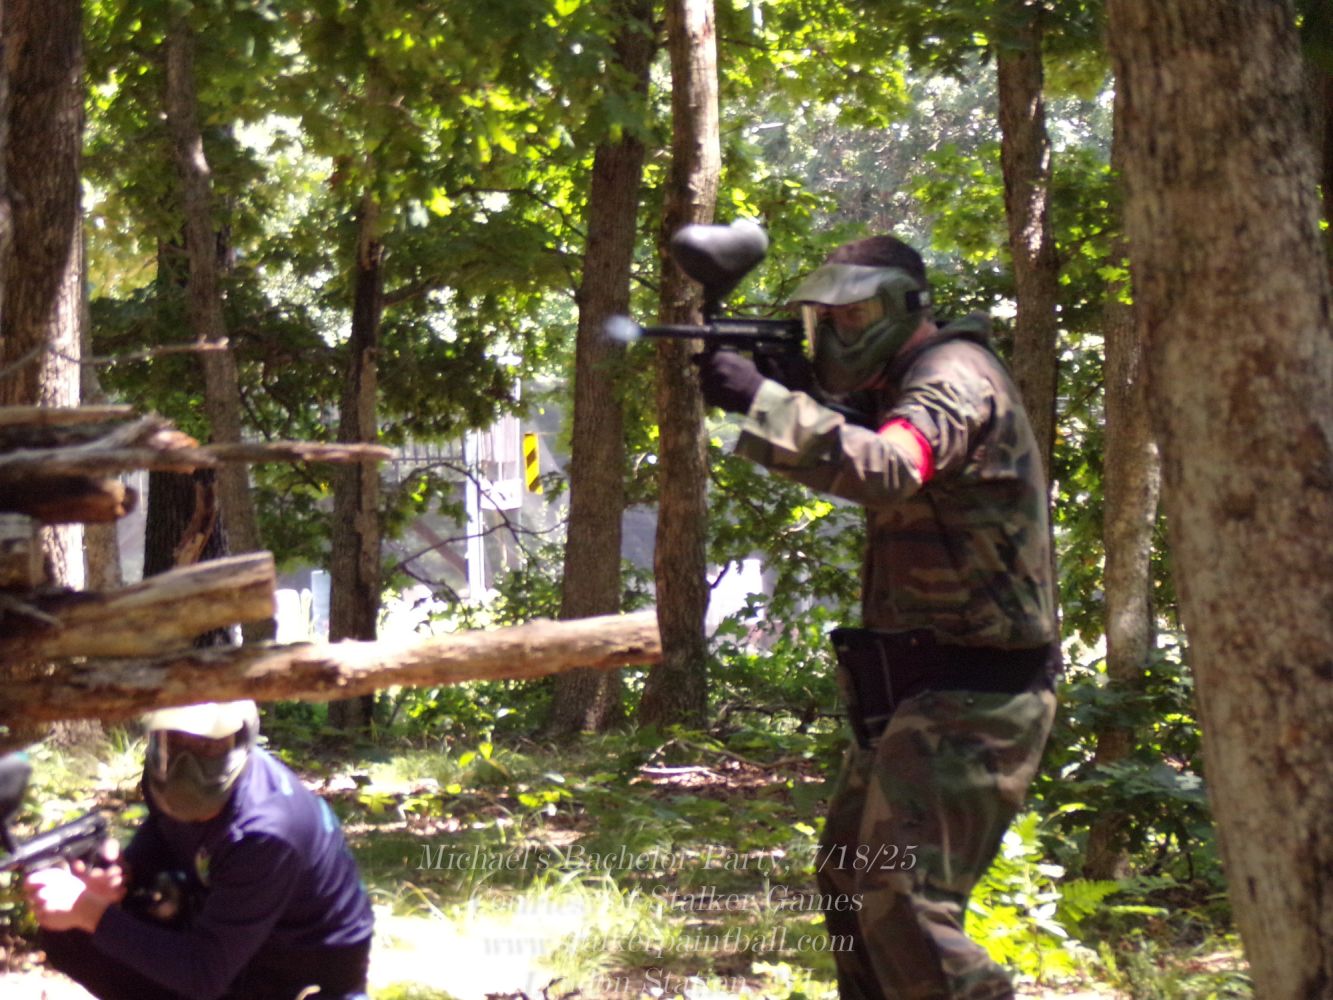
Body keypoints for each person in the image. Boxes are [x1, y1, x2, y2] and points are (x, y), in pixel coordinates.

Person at [694, 234, 1060, 1000]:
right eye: (826, 319)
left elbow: (889, 467)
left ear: (902, 307)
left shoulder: (952, 375)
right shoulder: (904, 384)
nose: (838, 333)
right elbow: (869, 438)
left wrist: (766, 403)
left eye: (853, 315)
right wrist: (800, 394)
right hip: (920, 687)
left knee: (901, 903)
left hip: (974, 691)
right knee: (848, 882)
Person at [24, 700, 375, 1000]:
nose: (185, 764)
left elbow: (203, 975)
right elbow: (162, 833)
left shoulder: (265, 834)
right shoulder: (161, 777)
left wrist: (91, 911)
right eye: (174, 742)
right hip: (226, 927)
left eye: (207, 748)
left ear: (240, 743)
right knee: (72, 937)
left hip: (300, 970)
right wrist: (118, 878)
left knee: (90, 924)